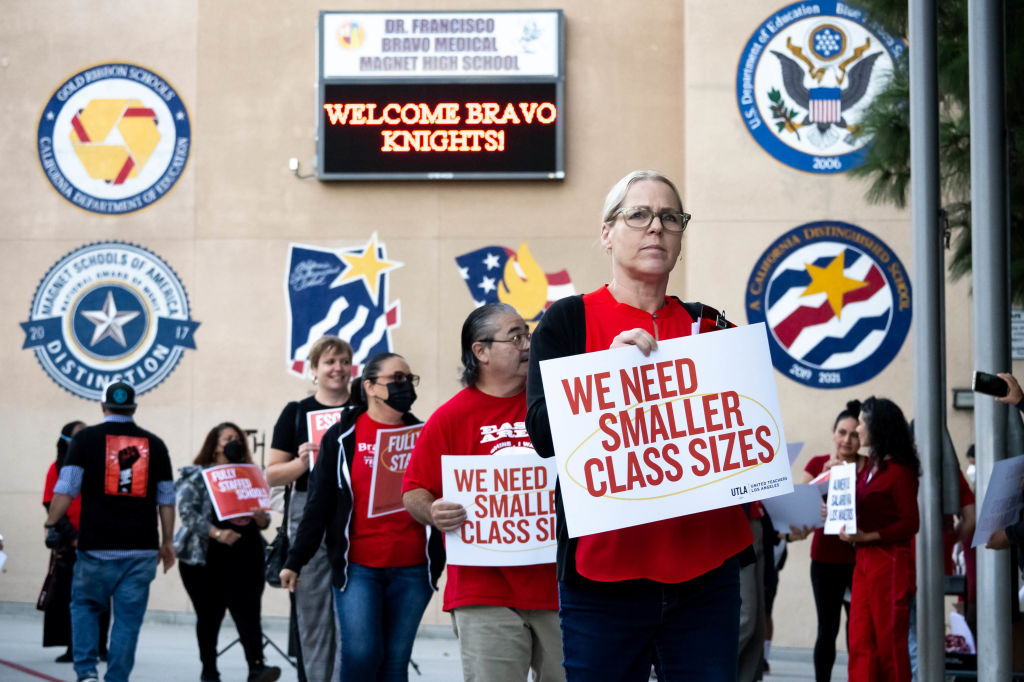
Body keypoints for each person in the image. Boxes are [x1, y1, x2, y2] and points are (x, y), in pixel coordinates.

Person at [525, 170, 753, 681]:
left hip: (706, 575)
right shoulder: (566, 321)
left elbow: (742, 433)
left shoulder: (712, 327)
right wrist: (605, 373)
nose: (656, 228)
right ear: (608, 232)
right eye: (639, 215)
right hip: (602, 577)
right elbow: (541, 433)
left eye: (670, 218)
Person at [403, 303, 564, 682]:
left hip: (558, 587)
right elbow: (413, 490)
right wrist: (434, 511)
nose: (528, 344)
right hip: (483, 591)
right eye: (516, 337)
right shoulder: (451, 417)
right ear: (481, 351)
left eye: (528, 335)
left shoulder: (556, 403)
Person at [281, 352, 444, 682]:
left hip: (413, 568)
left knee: (395, 662)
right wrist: (295, 560)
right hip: (359, 568)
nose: (406, 386)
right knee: (361, 654)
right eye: (396, 379)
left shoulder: (424, 434)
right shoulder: (342, 439)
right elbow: (319, 505)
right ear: (370, 386)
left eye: (409, 379)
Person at [44, 381, 176, 682]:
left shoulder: (86, 439)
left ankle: (87, 673)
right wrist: (167, 541)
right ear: (134, 408)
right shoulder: (155, 444)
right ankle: (116, 679)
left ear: (103, 407)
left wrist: (51, 523)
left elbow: (65, 488)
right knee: (128, 621)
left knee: (85, 607)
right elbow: (166, 498)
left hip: (95, 547)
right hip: (141, 549)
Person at [265, 335, 352, 682]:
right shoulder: (297, 412)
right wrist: (303, 462)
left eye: (344, 361)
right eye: (329, 362)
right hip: (308, 512)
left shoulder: (362, 410)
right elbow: (272, 474)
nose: (338, 368)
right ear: (314, 369)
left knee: (352, 612)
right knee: (313, 611)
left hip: (352, 512)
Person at [174, 422, 281, 682]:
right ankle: (209, 671)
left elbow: (265, 519)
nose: (233, 442)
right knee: (210, 616)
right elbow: (187, 514)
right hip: (206, 558)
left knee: (248, 612)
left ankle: (256, 667)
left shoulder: (252, 474)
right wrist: (217, 533)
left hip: (246, 556)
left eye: (237, 438)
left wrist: (260, 518)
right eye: (227, 438)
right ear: (214, 444)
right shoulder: (197, 475)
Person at [839, 396, 920, 682]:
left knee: (889, 643)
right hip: (864, 560)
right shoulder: (872, 468)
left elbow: (911, 523)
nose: (857, 429)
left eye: (861, 423)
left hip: (890, 561)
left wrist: (867, 535)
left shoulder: (900, 471)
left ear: (877, 427)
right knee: (860, 638)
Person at [789, 400, 866, 682]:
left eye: (855, 434)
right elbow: (801, 510)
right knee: (828, 628)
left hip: (859, 559)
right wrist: (826, 477)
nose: (848, 439)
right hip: (825, 560)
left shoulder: (868, 468)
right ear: (833, 433)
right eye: (843, 432)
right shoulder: (817, 464)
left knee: (858, 630)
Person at [42, 420, 112, 663]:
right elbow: (50, 504)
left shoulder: (101, 466)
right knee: (73, 599)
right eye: (78, 435)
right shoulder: (57, 468)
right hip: (71, 543)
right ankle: (74, 648)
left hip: (98, 541)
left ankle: (101, 647)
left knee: (102, 597)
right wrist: (72, 537)